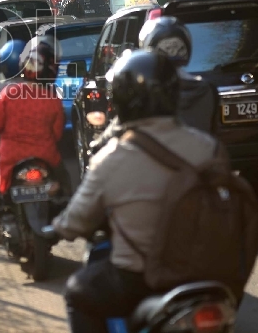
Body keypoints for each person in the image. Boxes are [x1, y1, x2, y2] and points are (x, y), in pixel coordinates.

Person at [51, 50, 225, 332]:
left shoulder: (111, 158)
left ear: (121, 99)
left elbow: (76, 221)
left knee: (77, 292)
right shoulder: (208, 147)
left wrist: (58, 227)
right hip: (206, 272)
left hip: (137, 278)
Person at [89, 16, 219, 156]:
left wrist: (97, 146)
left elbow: (120, 126)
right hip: (200, 161)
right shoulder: (206, 89)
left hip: (154, 162)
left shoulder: (148, 89)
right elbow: (214, 133)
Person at [0, 37, 66, 241]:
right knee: (64, 182)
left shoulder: (8, 93)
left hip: (10, 157)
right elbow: (57, 134)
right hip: (46, 157)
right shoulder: (52, 98)